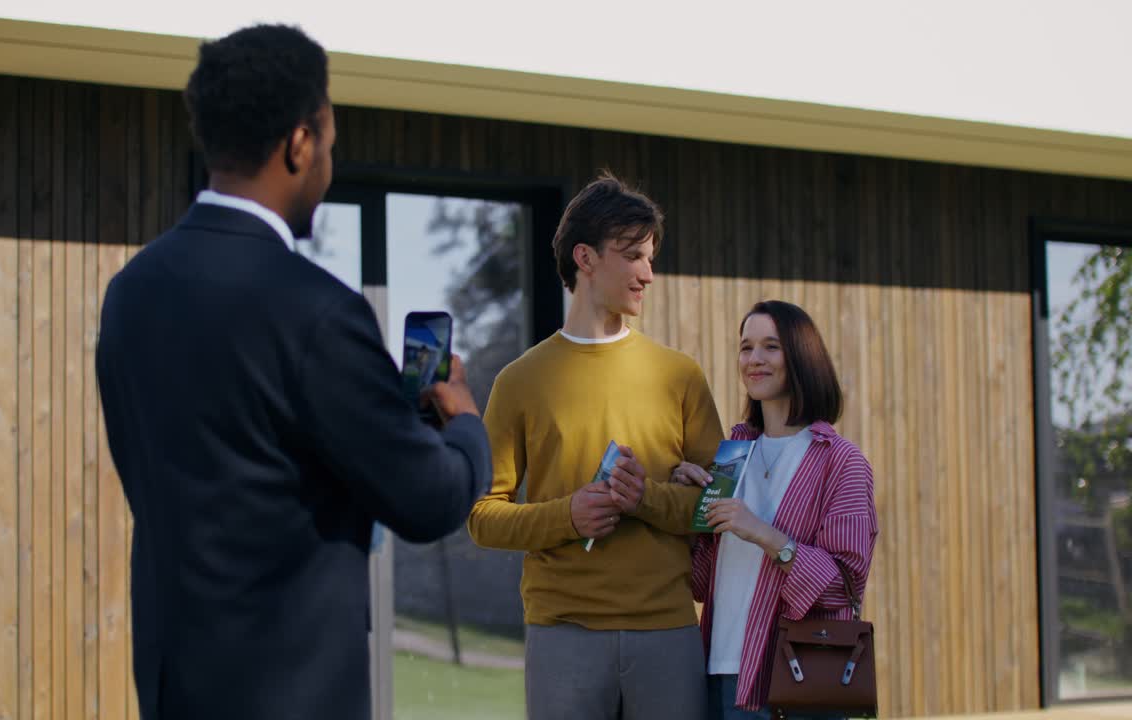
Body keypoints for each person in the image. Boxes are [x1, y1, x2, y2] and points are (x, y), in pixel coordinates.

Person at [95, 24, 491, 720]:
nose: (329, 166)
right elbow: (428, 499)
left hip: (174, 691)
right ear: (300, 143)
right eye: (330, 146)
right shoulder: (315, 311)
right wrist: (463, 425)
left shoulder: (131, 292)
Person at [467, 173, 725, 719]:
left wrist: (645, 500)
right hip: (563, 633)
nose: (647, 274)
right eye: (632, 255)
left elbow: (720, 506)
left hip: (669, 631)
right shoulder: (519, 381)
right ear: (585, 257)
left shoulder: (680, 376)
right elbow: (483, 517)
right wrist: (570, 516)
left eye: (650, 257)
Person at [670, 300, 878, 720]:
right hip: (716, 673)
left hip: (791, 680)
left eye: (771, 346)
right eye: (746, 348)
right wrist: (687, 510)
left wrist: (763, 533)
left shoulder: (839, 461)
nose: (754, 359)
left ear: (800, 356)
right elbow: (699, 584)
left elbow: (844, 586)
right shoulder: (730, 456)